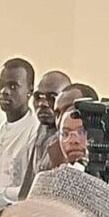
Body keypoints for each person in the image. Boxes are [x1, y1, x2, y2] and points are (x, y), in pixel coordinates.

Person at [0, 58, 39, 212]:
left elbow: (28, 191)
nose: (4, 91)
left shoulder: (35, 132)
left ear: (29, 91)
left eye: (13, 86)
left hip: (12, 216)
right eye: (1, 85)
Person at [17, 68, 71, 198]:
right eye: (38, 97)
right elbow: (28, 186)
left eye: (52, 98)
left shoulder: (69, 140)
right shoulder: (41, 130)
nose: (43, 104)